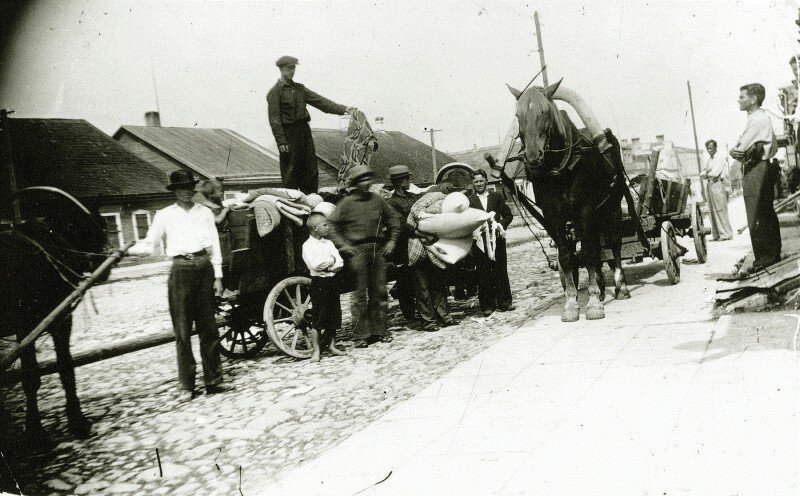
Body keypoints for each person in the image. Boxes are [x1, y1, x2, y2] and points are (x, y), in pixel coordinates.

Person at [128, 170, 228, 400]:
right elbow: (150, 244)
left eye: (188, 187)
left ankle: (214, 381)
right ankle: (186, 385)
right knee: (182, 331)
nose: (185, 192)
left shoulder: (204, 212)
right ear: (174, 191)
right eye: (180, 188)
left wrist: (218, 276)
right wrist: (125, 251)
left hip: (204, 266)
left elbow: (214, 244)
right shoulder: (164, 215)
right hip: (180, 269)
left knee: (209, 329)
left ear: (193, 190)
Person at [327, 165, 401, 348]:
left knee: (380, 292)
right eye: (362, 180)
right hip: (357, 252)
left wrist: (391, 242)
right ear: (355, 184)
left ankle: (380, 331)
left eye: (368, 179)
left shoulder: (377, 200)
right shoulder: (346, 203)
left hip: (378, 249)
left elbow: (394, 221)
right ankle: (360, 335)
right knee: (359, 294)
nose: (366, 183)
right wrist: (344, 245)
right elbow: (331, 226)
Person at [266, 55, 356, 194]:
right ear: (281, 69)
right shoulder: (274, 92)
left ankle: (311, 201)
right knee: (291, 172)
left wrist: (344, 109)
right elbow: (275, 119)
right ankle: (293, 205)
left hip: (304, 132)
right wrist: (281, 141)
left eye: (293, 68)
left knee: (310, 171)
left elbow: (321, 102)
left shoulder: (300, 89)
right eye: (289, 68)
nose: (292, 71)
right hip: (289, 135)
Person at [730, 83, 781, 275]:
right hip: (760, 167)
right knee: (764, 212)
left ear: (753, 99)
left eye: (742, 97)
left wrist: (733, 150)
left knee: (758, 214)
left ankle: (766, 257)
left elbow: (739, 149)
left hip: (757, 168)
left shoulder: (757, 119)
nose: (739, 100)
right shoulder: (759, 117)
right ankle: (770, 255)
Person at [468, 169, 514, 316]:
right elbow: (467, 221)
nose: (479, 184)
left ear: (486, 181)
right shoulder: (469, 201)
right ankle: (487, 305)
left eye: (481, 181)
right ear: (473, 183)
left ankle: (504, 302)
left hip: (497, 240)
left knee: (500, 269)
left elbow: (508, 215)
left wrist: (500, 225)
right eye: (476, 181)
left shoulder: (496, 197)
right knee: (483, 272)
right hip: (480, 242)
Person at [302, 213, 347, 362]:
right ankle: (316, 350)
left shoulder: (329, 244)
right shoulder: (307, 246)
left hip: (332, 282)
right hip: (319, 284)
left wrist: (330, 265)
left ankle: (332, 345)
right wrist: (330, 261)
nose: (328, 227)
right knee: (318, 317)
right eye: (325, 225)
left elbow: (340, 262)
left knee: (334, 314)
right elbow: (315, 265)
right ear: (315, 228)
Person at [385, 165, 420, 322]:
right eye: (406, 179)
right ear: (399, 182)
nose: (409, 181)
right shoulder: (390, 203)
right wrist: (418, 231)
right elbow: (400, 224)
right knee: (405, 281)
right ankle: (410, 315)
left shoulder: (413, 197)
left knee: (420, 279)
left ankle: (422, 309)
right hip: (402, 246)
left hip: (418, 243)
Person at [699, 139, 733, 241]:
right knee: (712, 211)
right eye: (707, 148)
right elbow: (702, 174)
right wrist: (707, 172)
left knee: (720, 210)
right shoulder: (709, 160)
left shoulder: (720, 158)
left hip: (718, 184)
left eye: (710, 148)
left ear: (715, 147)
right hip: (710, 185)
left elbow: (714, 173)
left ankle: (726, 234)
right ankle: (717, 234)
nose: (709, 150)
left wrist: (707, 173)